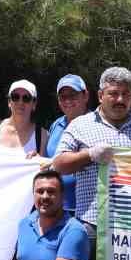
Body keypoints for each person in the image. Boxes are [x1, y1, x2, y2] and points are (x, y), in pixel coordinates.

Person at [53, 65, 131, 225]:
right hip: (91, 224)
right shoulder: (80, 125)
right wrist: (89, 155)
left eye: (125, 94)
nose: (120, 100)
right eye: (113, 94)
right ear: (100, 96)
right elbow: (58, 164)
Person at [45, 74, 90, 213]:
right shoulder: (56, 125)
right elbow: (49, 160)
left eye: (73, 95)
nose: (68, 100)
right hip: (54, 208)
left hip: (84, 210)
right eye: (63, 97)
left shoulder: (97, 125)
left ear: (85, 96)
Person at [0, 80, 49, 157]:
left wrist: (39, 160)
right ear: (9, 102)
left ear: (34, 104)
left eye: (26, 98)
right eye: (15, 97)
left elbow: (46, 165)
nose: (20, 102)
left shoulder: (42, 135)